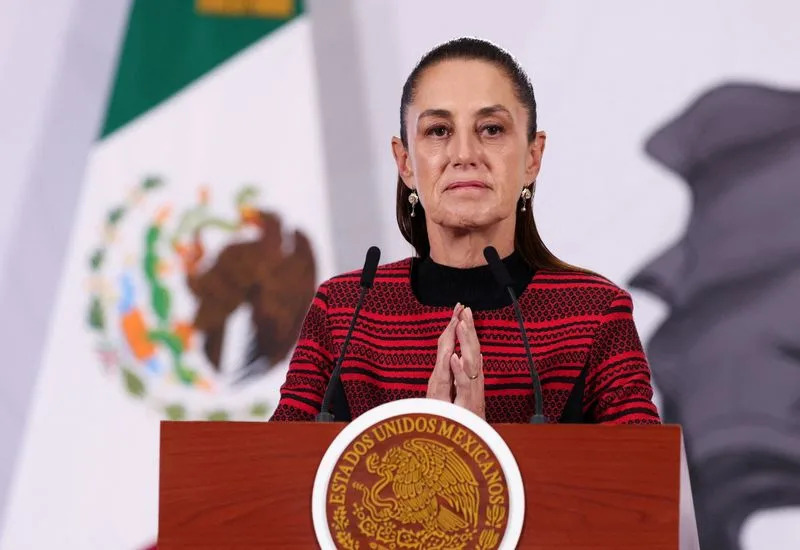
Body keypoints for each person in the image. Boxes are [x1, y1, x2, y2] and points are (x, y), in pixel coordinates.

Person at [270, 37, 660, 424]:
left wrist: (477, 442)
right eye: (439, 131)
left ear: (533, 157)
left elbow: (645, 464)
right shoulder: (343, 313)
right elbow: (274, 462)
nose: (464, 155)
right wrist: (431, 438)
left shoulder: (593, 315)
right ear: (405, 162)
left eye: (491, 129)